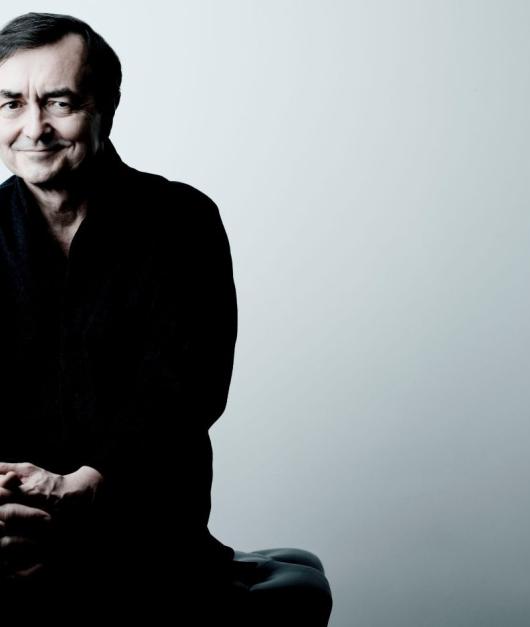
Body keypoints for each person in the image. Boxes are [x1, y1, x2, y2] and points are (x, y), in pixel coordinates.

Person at [0, 12, 332, 625]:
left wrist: (86, 487)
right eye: (11, 104)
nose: (33, 127)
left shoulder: (182, 221)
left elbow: (184, 391)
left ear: (106, 107)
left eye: (59, 102)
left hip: (145, 542)